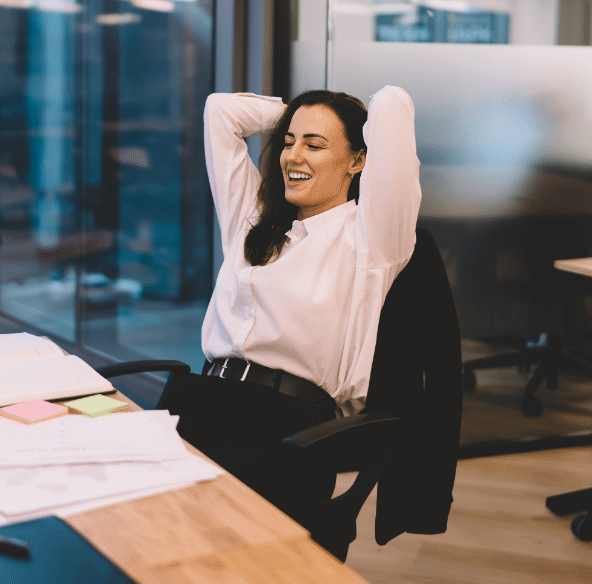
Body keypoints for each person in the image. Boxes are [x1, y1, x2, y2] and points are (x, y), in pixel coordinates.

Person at [164, 85, 421, 527]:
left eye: (314, 145)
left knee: (219, 548)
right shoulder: (253, 219)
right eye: (287, 142)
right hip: (200, 399)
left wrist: (336, 110)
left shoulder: (371, 240)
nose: (293, 156)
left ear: (358, 160)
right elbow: (219, 111)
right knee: (135, 527)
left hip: (284, 427)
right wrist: (299, 114)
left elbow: (394, 103)